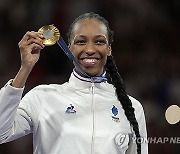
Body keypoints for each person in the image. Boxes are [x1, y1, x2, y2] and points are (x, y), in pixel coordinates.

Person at [0, 12, 148, 154]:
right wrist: (25, 68)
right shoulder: (43, 97)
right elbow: (2, 133)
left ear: (109, 49)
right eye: (81, 41)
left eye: (99, 41)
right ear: (69, 47)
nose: (90, 49)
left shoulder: (131, 107)